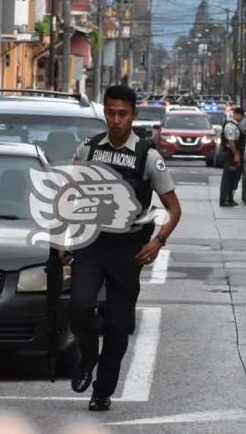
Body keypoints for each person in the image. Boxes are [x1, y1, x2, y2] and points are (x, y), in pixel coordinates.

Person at [70, 85, 182, 412]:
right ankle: (88, 356)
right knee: (79, 305)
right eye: (110, 112)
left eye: (122, 114)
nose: (116, 120)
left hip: (127, 250)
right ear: (104, 111)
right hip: (91, 243)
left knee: (118, 327)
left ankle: (102, 391)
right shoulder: (89, 149)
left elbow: (174, 208)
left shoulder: (148, 156)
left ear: (133, 114)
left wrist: (158, 240)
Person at [219, 107, 246, 206]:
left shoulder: (234, 125)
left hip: (233, 154)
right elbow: (231, 142)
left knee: (233, 177)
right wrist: (235, 154)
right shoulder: (230, 125)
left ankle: (229, 198)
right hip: (230, 155)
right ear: (237, 114)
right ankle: (224, 199)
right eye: (241, 116)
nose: (242, 119)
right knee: (227, 177)